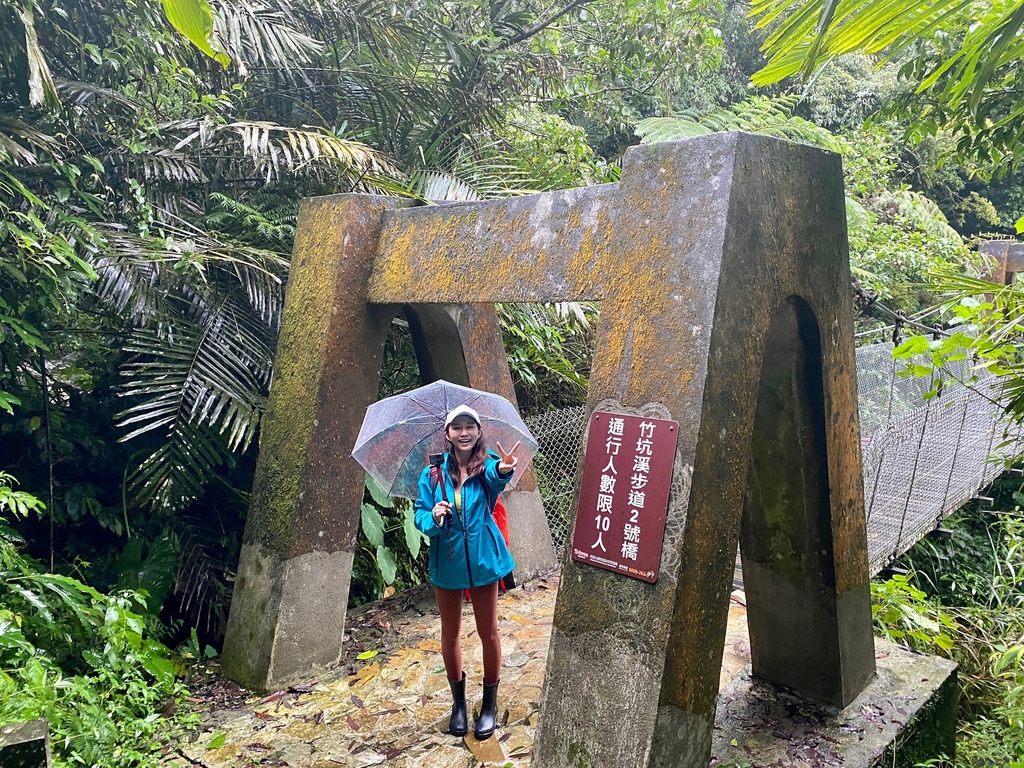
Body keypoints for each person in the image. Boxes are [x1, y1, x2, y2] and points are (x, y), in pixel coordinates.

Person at [414, 404, 520, 740]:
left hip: (484, 560)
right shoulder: (432, 475)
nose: (464, 433)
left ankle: (489, 704)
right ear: (447, 434)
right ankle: (458, 705)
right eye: (457, 427)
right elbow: (420, 517)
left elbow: (496, 477)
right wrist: (434, 515)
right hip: (448, 561)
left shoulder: (485, 466)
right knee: (450, 633)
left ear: (478, 432)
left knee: (488, 632)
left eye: (469, 426)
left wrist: (503, 468)